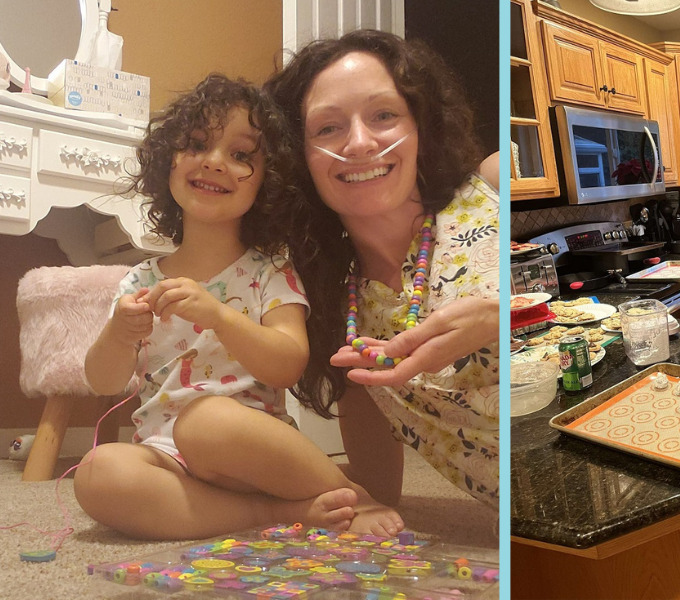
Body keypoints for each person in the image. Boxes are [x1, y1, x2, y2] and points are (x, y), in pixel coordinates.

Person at [74, 74, 403, 540]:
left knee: (204, 421)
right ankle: (269, 513)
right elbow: (103, 381)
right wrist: (120, 334)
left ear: (266, 182)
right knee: (97, 473)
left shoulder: (269, 272)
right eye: (196, 144)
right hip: (163, 458)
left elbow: (288, 365)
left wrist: (219, 315)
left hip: (245, 450)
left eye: (241, 155)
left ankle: (349, 493)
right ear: (167, 163)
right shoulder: (140, 279)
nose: (214, 162)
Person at [263, 30, 500, 513]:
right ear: (299, 158)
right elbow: (378, 494)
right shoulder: (337, 317)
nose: (359, 142)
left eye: (384, 115)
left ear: (421, 128)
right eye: (327, 128)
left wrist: (503, 316)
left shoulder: (494, 189)